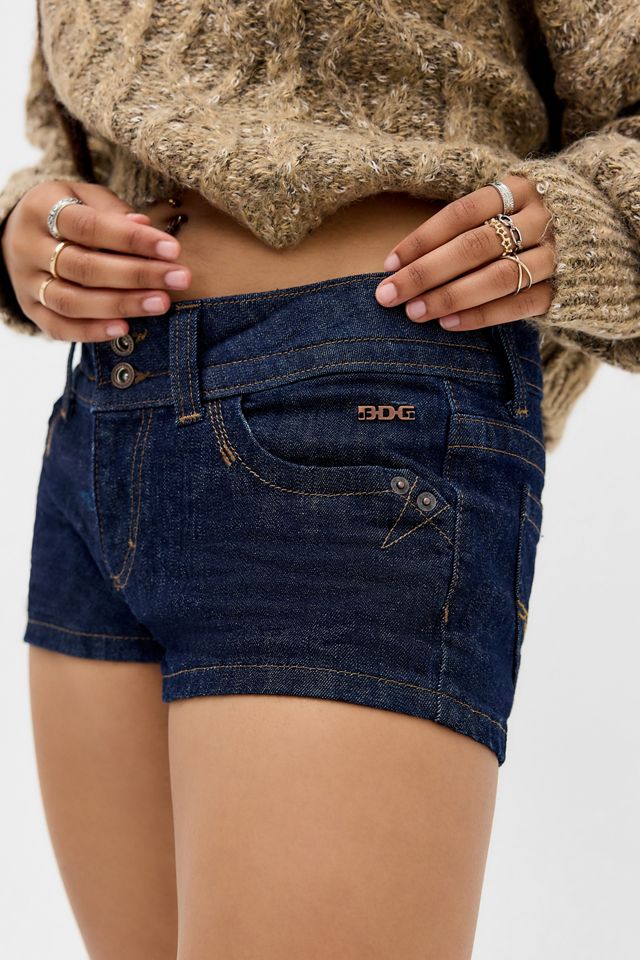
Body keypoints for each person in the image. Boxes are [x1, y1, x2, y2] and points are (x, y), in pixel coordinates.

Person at [0, 2, 638, 958]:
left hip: (352, 415)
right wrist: (27, 228)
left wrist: (593, 221)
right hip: (105, 419)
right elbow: (84, 120)